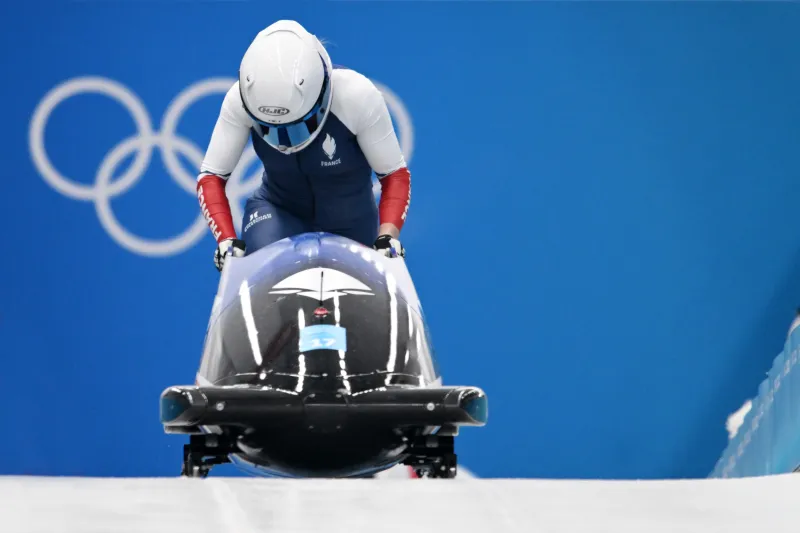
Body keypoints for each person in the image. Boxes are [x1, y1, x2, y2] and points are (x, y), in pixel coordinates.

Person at [196, 20, 411, 271]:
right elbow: (211, 175)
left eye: (297, 126)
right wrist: (226, 240)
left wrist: (387, 237)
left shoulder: (358, 96)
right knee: (267, 272)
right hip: (277, 211)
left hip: (351, 220)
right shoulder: (238, 99)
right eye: (269, 128)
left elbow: (394, 174)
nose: (285, 142)